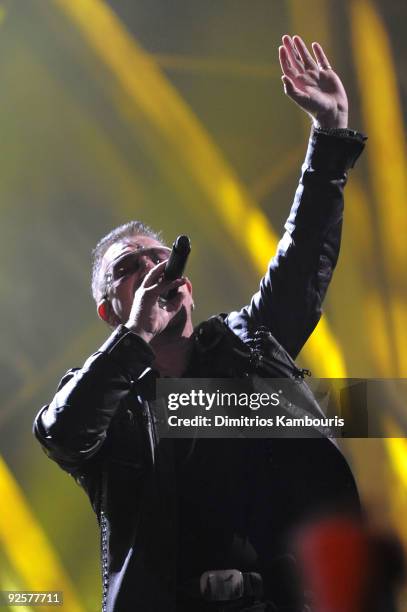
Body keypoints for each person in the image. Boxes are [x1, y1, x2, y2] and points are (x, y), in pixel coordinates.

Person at [34, 35, 367, 611]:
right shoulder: (107, 398)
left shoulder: (248, 345)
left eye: (159, 257)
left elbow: (300, 260)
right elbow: (62, 433)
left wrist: (330, 137)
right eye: (128, 270)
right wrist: (135, 337)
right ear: (109, 311)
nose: (152, 268)